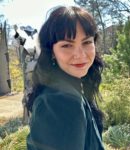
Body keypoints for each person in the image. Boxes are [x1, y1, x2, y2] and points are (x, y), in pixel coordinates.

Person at [26, 5, 105, 150]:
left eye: (87, 42)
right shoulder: (60, 101)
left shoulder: (68, 88)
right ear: (52, 52)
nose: (80, 54)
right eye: (67, 45)